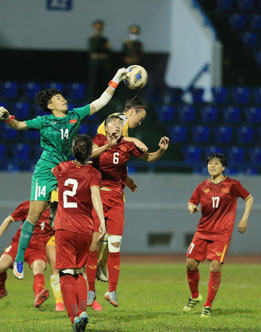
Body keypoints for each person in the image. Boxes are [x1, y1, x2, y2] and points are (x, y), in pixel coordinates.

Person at [0, 67, 128, 280]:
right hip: (46, 172)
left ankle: (90, 260)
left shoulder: (75, 115)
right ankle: (19, 258)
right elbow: (17, 125)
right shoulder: (43, 121)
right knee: (34, 215)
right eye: (58, 98)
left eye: (62, 96)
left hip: (68, 172)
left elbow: (101, 101)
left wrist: (116, 79)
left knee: (80, 213)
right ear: (50, 105)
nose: (63, 99)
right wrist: (6, 117)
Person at [86, 114, 170, 308]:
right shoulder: (97, 141)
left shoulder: (127, 145)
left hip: (116, 199)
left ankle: (112, 291)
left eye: (119, 123)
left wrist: (161, 151)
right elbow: (89, 155)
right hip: (97, 197)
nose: (116, 125)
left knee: (115, 245)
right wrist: (108, 145)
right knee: (94, 243)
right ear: (105, 129)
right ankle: (91, 290)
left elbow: (149, 158)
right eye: (112, 123)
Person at [183, 153, 254, 318]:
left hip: (222, 233)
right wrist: (192, 208)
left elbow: (249, 198)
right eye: (209, 163)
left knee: (215, 266)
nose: (212, 166)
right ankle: (195, 296)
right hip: (202, 231)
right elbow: (191, 202)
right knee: (190, 264)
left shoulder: (232, 185)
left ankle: (207, 305)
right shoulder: (202, 186)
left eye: (216, 163)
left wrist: (244, 219)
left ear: (223, 167)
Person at [52, 134, 107, 332]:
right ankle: (83, 311)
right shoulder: (93, 173)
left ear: (74, 150)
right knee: (79, 272)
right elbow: (95, 196)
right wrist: (100, 221)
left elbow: (52, 169)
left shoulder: (62, 168)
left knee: (65, 273)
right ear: (90, 152)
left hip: (64, 227)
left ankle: (74, 317)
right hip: (85, 228)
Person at [94, 95, 148, 282]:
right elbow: (111, 143)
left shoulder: (120, 124)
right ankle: (95, 265)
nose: (139, 123)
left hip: (111, 181)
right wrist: (134, 140)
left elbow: (117, 159)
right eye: (139, 119)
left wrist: (128, 181)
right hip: (101, 185)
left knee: (109, 234)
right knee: (101, 233)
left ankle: (99, 265)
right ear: (131, 112)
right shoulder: (119, 120)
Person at [0, 199, 54, 309]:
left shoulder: (56, 210)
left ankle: (38, 296)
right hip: (19, 244)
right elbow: (9, 219)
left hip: (38, 248)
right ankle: (1, 291)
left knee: (38, 268)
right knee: (0, 267)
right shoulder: (29, 205)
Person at [88, 20, 111, 100]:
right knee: (94, 82)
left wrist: (101, 56)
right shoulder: (92, 39)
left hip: (103, 65)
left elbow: (107, 51)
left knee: (103, 83)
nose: (98, 29)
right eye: (97, 28)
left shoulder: (104, 40)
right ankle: (91, 99)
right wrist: (101, 55)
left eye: (100, 28)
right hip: (94, 65)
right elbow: (93, 51)